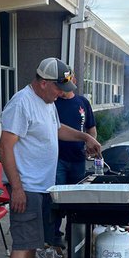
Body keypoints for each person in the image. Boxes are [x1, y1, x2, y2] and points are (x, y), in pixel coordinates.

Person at [0, 58, 101, 258]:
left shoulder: (48, 102)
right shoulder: (21, 104)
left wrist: (85, 137)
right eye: (58, 87)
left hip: (43, 186)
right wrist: (17, 188)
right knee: (22, 244)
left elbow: (57, 130)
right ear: (43, 82)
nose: (62, 92)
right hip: (27, 186)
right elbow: (5, 147)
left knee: (33, 241)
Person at [50, 85, 96, 248]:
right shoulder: (53, 103)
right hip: (58, 160)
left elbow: (91, 128)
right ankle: (54, 234)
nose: (58, 89)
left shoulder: (82, 102)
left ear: (72, 81)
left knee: (76, 198)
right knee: (56, 199)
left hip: (78, 160)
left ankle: (73, 231)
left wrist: (91, 145)